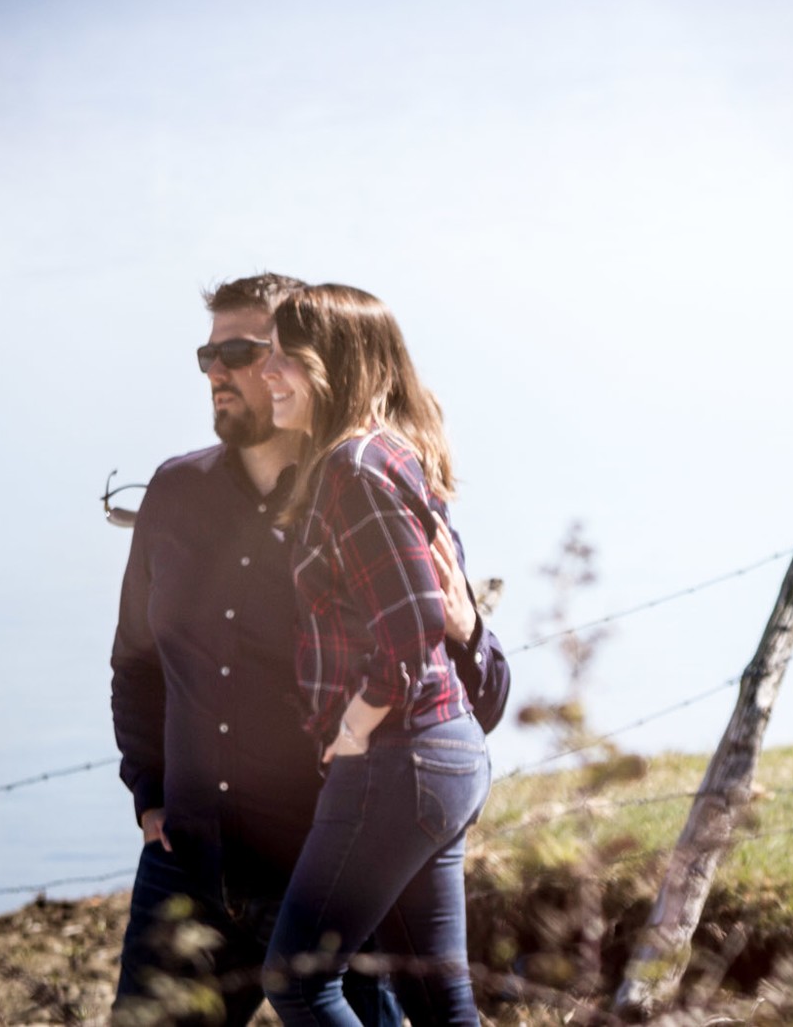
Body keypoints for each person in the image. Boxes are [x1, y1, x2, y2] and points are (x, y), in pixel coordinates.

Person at [110, 273, 510, 1027]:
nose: (224, 372)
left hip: (326, 851)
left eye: (248, 351)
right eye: (209, 355)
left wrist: (467, 633)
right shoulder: (173, 491)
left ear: (311, 360)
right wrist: (150, 794)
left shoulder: (364, 478)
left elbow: (466, 696)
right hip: (190, 856)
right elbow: (134, 663)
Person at [257, 283, 492, 1027]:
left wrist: (354, 727)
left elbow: (414, 623)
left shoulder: (354, 467)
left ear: (338, 366)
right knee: (437, 1001)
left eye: (285, 358)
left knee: (297, 980)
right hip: (442, 753)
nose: (267, 373)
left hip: (398, 757)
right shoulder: (390, 453)